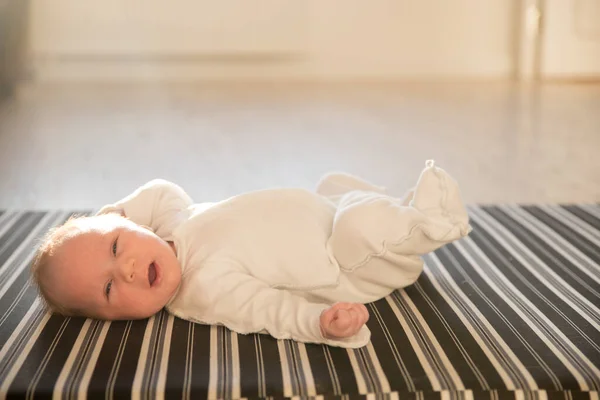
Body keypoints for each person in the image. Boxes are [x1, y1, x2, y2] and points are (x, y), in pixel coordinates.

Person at [30, 160, 471, 348]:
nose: (125, 269)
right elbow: (264, 310)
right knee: (365, 227)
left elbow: (159, 189)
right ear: (112, 321)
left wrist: (116, 211)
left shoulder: (168, 221)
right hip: (346, 261)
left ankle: (396, 209)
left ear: (132, 224)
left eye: (114, 245)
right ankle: (431, 223)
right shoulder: (200, 289)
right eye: (108, 288)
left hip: (324, 213)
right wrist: (319, 324)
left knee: (338, 189)